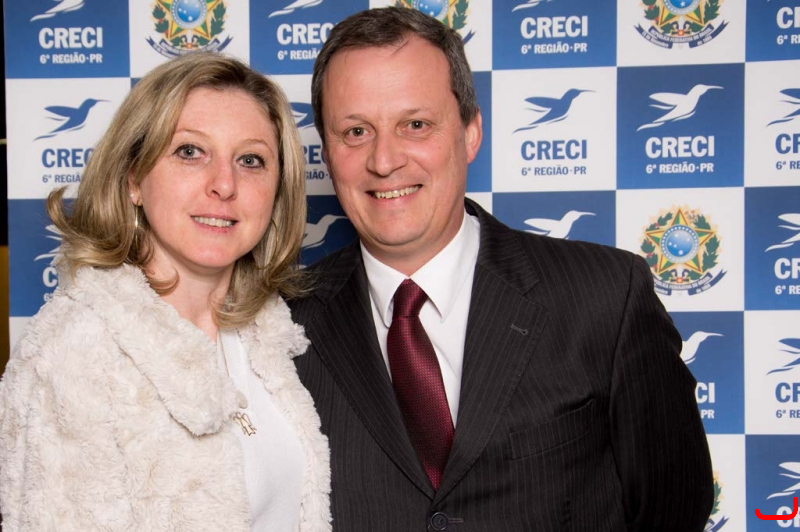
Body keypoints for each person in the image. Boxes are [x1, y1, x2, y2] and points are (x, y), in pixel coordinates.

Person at [290, 7, 713, 531]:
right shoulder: (281, 325)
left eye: (415, 125)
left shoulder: (605, 297)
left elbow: (675, 507)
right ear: (326, 152)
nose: (384, 160)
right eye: (355, 131)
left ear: (470, 132)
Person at [0, 52, 331, 531]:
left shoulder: (274, 337)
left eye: (250, 160)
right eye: (190, 152)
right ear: (134, 178)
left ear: (277, 189)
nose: (224, 184)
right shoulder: (73, 354)